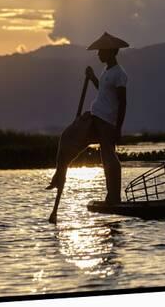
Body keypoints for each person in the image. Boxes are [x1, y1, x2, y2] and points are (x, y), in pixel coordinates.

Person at [45, 32, 129, 224]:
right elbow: (104, 92)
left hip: (106, 121)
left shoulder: (120, 74)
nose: (98, 54)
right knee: (66, 138)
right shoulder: (107, 72)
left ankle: (114, 197)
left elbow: (122, 102)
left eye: (101, 51)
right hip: (94, 116)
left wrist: (118, 129)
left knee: (108, 155)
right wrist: (92, 78)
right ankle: (59, 176)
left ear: (111, 52)